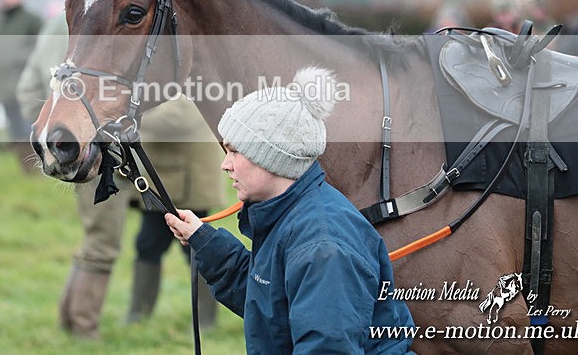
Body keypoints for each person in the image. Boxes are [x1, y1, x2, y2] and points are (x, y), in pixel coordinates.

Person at [166, 67, 415, 354]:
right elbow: (270, 303)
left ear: (271, 155)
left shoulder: (323, 248)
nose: (226, 164)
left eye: (235, 151)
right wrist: (204, 241)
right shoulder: (291, 213)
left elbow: (326, 348)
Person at [16, 12, 131, 339]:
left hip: (63, 142)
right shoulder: (105, 27)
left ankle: (71, 320)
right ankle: (84, 327)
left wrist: (49, 136)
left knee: (95, 237)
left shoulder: (53, 25)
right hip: (98, 149)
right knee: (103, 241)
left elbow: (27, 87)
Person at [125, 95, 225, 328]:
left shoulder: (188, 85)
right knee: (147, 245)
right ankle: (138, 315)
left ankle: (205, 321)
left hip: (187, 185)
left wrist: (129, 118)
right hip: (164, 182)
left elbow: (180, 120)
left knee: (197, 250)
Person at [0, 0, 42, 172]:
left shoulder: (32, 20)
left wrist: (18, 56)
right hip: (4, 85)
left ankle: (35, 167)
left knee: (28, 128)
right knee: (15, 129)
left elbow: (39, 48)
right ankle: (25, 167)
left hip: (25, 85)